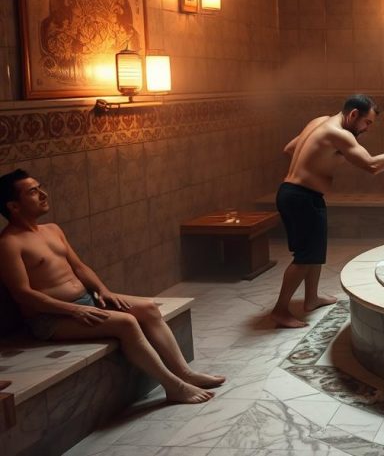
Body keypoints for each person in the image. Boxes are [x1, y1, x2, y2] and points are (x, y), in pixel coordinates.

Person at [0, 169, 224, 404]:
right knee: (126, 322)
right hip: (52, 318)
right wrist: (74, 310)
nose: (43, 194)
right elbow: (23, 294)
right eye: (33, 192)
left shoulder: (52, 230)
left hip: (87, 300)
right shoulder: (9, 244)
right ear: (14, 206)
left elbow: (80, 268)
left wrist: (103, 291)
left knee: (147, 308)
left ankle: (185, 373)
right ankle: (174, 386)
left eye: (40, 187)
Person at [270, 94, 384, 328]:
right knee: (304, 257)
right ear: (353, 114)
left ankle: (311, 299)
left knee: (315, 251)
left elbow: (289, 149)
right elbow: (372, 166)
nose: (367, 129)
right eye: (367, 123)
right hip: (299, 197)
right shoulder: (339, 134)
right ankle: (280, 310)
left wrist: (321, 160)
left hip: (299, 194)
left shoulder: (319, 122)